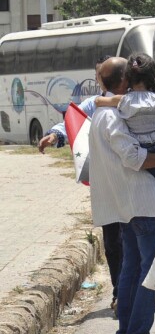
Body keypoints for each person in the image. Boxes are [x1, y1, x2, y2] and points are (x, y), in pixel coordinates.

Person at [89, 56, 155, 334]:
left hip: (128, 206)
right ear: (124, 82)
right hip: (142, 202)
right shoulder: (114, 115)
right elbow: (135, 158)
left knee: (132, 270)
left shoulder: (109, 111)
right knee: (151, 271)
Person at [39, 55, 123, 318]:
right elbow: (71, 121)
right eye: (100, 75)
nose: (103, 80)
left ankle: (139, 292)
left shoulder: (134, 101)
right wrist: (55, 136)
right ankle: (121, 292)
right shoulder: (92, 104)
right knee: (113, 244)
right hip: (106, 185)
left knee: (136, 241)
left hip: (135, 182)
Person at [95, 53, 155, 221]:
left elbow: (99, 102)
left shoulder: (123, 100)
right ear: (151, 76)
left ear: (127, 77)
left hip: (147, 150)